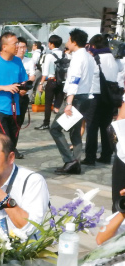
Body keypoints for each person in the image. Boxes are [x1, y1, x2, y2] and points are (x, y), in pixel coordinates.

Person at [50, 29, 95, 175]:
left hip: (75, 99)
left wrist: (69, 102)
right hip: (85, 97)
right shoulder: (89, 57)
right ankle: (76, 163)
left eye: (69, 39)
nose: (67, 42)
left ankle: (70, 161)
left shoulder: (78, 57)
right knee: (75, 133)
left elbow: (74, 79)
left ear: (74, 41)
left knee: (55, 129)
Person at [83, 34, 123, 165]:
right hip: (111, 96)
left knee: (92, 127)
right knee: (106, 126)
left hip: (96, 94)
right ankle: (106, 155)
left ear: (93, 46)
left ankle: (90, 157)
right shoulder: (114, 58)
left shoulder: (95, 57)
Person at [13, 37, 37, 158]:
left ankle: (13, 147)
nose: (22, 50)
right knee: (11, 121)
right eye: (20, 47)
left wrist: (24, 86)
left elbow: (32, 76)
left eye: (24, 47)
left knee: (19, 122)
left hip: (24, 95)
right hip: (12, 95)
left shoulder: (29, 61)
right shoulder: (12, 61)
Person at [35, 35, 64, 130]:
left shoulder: (49, 56)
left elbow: (45, 72)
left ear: (51, 44)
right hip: (62, 81)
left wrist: (41, 84)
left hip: (51, 81)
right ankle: (61, 124)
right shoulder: (64, 54)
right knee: (59, 104)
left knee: (48, 104)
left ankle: (46, 123)